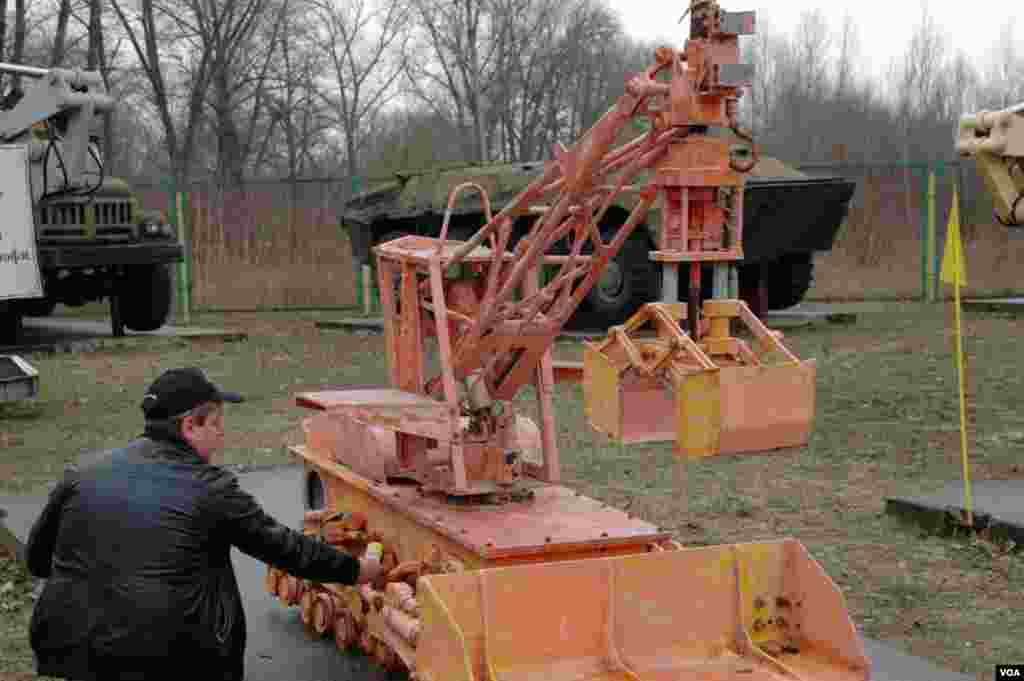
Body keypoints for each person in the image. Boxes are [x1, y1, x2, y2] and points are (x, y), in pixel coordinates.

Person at [24, 367, 382, 681]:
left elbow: (37, 560)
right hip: (173, 657)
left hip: (78, 650)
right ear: (189, 425)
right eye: (216, 424)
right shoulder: (211, 488)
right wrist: (357, 569)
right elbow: (285, 549)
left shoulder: (81, 474)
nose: (221, 435)